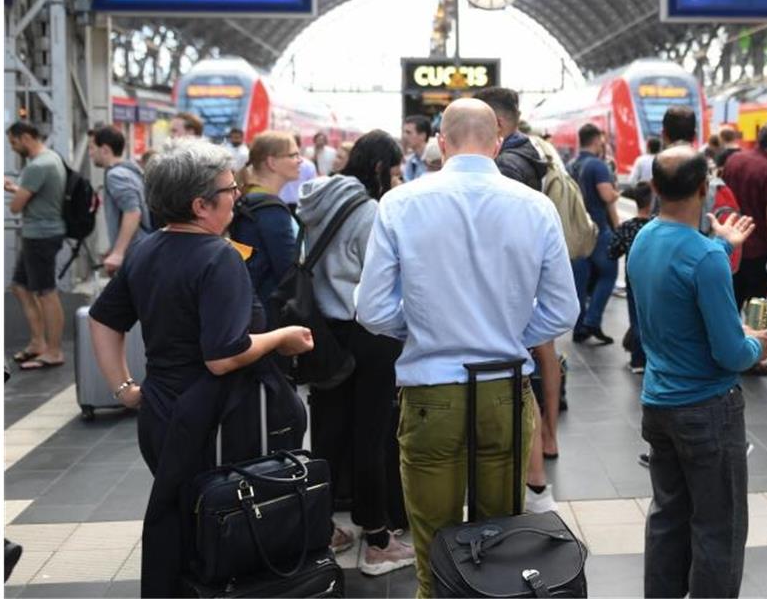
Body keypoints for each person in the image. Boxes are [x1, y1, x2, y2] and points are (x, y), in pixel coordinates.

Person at [354, 99, 579, 598]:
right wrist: (510, 332)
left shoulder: (400, 203)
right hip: (503, 389)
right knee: (498, 547)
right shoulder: (535, 206)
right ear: (498, 142)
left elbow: (370, 309)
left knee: (432, 548)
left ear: (440, 141)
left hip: (431, 394)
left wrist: (420, 331)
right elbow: (563, 310)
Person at [87, 140, 314, 597]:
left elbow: (102, 318)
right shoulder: (218, 256)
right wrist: (282, 337)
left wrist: (125, 388)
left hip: (161, 408)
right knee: (222, 520)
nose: (237, 196)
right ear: (200, 204)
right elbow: (223, 355)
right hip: (215, 416)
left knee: (183, 518)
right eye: (230, 189)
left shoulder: (147, 249)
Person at [628, 146, 767, 598]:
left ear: (653, 189)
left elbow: (682, 269)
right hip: (708, 410)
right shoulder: (705, 259)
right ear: (705, 190)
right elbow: (730, 353)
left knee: (669, 519)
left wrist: (724, 244)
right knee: (718, 529)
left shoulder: (644, 239)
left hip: (659, 404)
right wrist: (757, 343)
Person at [298, 130, 414, 574]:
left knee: (327, 433)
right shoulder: (368, 211)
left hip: (323, 331)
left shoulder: (316, 197)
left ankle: (322, 527)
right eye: (395, 170)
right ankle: (378, 541)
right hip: (367, 332)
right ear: (381, 168)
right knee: (371, 434)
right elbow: (382, 277)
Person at [473, 87, 562, 513]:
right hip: (522, 291)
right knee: (527, 375)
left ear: (499, 127)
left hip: (509, 295)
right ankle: (539, 478)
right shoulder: (527, 157)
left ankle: (534, 485)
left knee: (519, 383)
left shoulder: (505, 167)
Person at [5, 121, 67, 370]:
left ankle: (53, 351)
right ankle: (38, 343)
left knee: (46, 292)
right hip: (41, 233)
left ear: (27, 137)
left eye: (14, 142)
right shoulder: (51, 158)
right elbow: (34, 195)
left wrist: (16, 194)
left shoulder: (37, 166)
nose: (13, 148)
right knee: (20, 286)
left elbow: (16, 207)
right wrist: (17, 189)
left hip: (40, 235)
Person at [230, 131, 301, 328]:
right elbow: (288, 269)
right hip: (270, 313)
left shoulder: (249, 198)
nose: (300, 160)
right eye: (293, 155)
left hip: (252, 308)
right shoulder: (270, 209)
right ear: (272, 162)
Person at [721, 120, 767, 311]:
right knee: (756, 311)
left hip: (730, 245)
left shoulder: (734, 160)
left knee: (730, 304)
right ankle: (756, 341)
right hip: (757, 251)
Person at [568, 123, 620, 345]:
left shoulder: (570, 165)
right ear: (597, 140)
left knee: (581, 281)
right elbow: (607, 196)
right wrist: (617, 192)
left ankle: (579, 326)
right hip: (598, 229)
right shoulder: (598, 166)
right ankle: (593, 319)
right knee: (609, 274)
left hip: (577, 231)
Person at [88, 125, 149, 276]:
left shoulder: (116, 175)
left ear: (105, 150)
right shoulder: (131, 170)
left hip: (134, 254)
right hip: (140, 250)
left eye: (91, 148)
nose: (90, 154)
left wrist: (118, 253)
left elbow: (133, 212)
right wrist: (113, 249)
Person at [608, 181, 654, 374]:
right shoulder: (657, 226)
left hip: (633, 279)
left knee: (636, 318)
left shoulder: (628, 227)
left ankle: (637, 361)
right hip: (656, 279)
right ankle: (653, 359)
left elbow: (612, 252)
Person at [277, 135, 318, 214]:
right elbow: (312, 189)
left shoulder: (278, 163)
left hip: (286, 203)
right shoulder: (309, 165)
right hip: (296, 205)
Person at [401, 114, 432, 181]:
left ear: (422, 135)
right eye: (404, 132)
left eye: (408, 132)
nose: (404, 136)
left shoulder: (435, 160)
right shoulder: (409, 161)